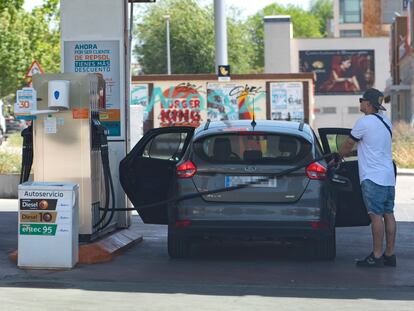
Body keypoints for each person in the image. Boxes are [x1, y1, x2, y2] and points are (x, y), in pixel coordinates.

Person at [332, 88, 397, 267]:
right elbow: (370, 145)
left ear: (368, 103)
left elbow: (348, 143)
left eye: (361, 100)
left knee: (375, 217)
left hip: (372, 177)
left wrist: (337, 157)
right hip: (388, 176)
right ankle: (390, 255)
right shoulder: (386, 121)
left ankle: (376, 256)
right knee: (388, 214)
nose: (360, 103)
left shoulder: (364, 122)